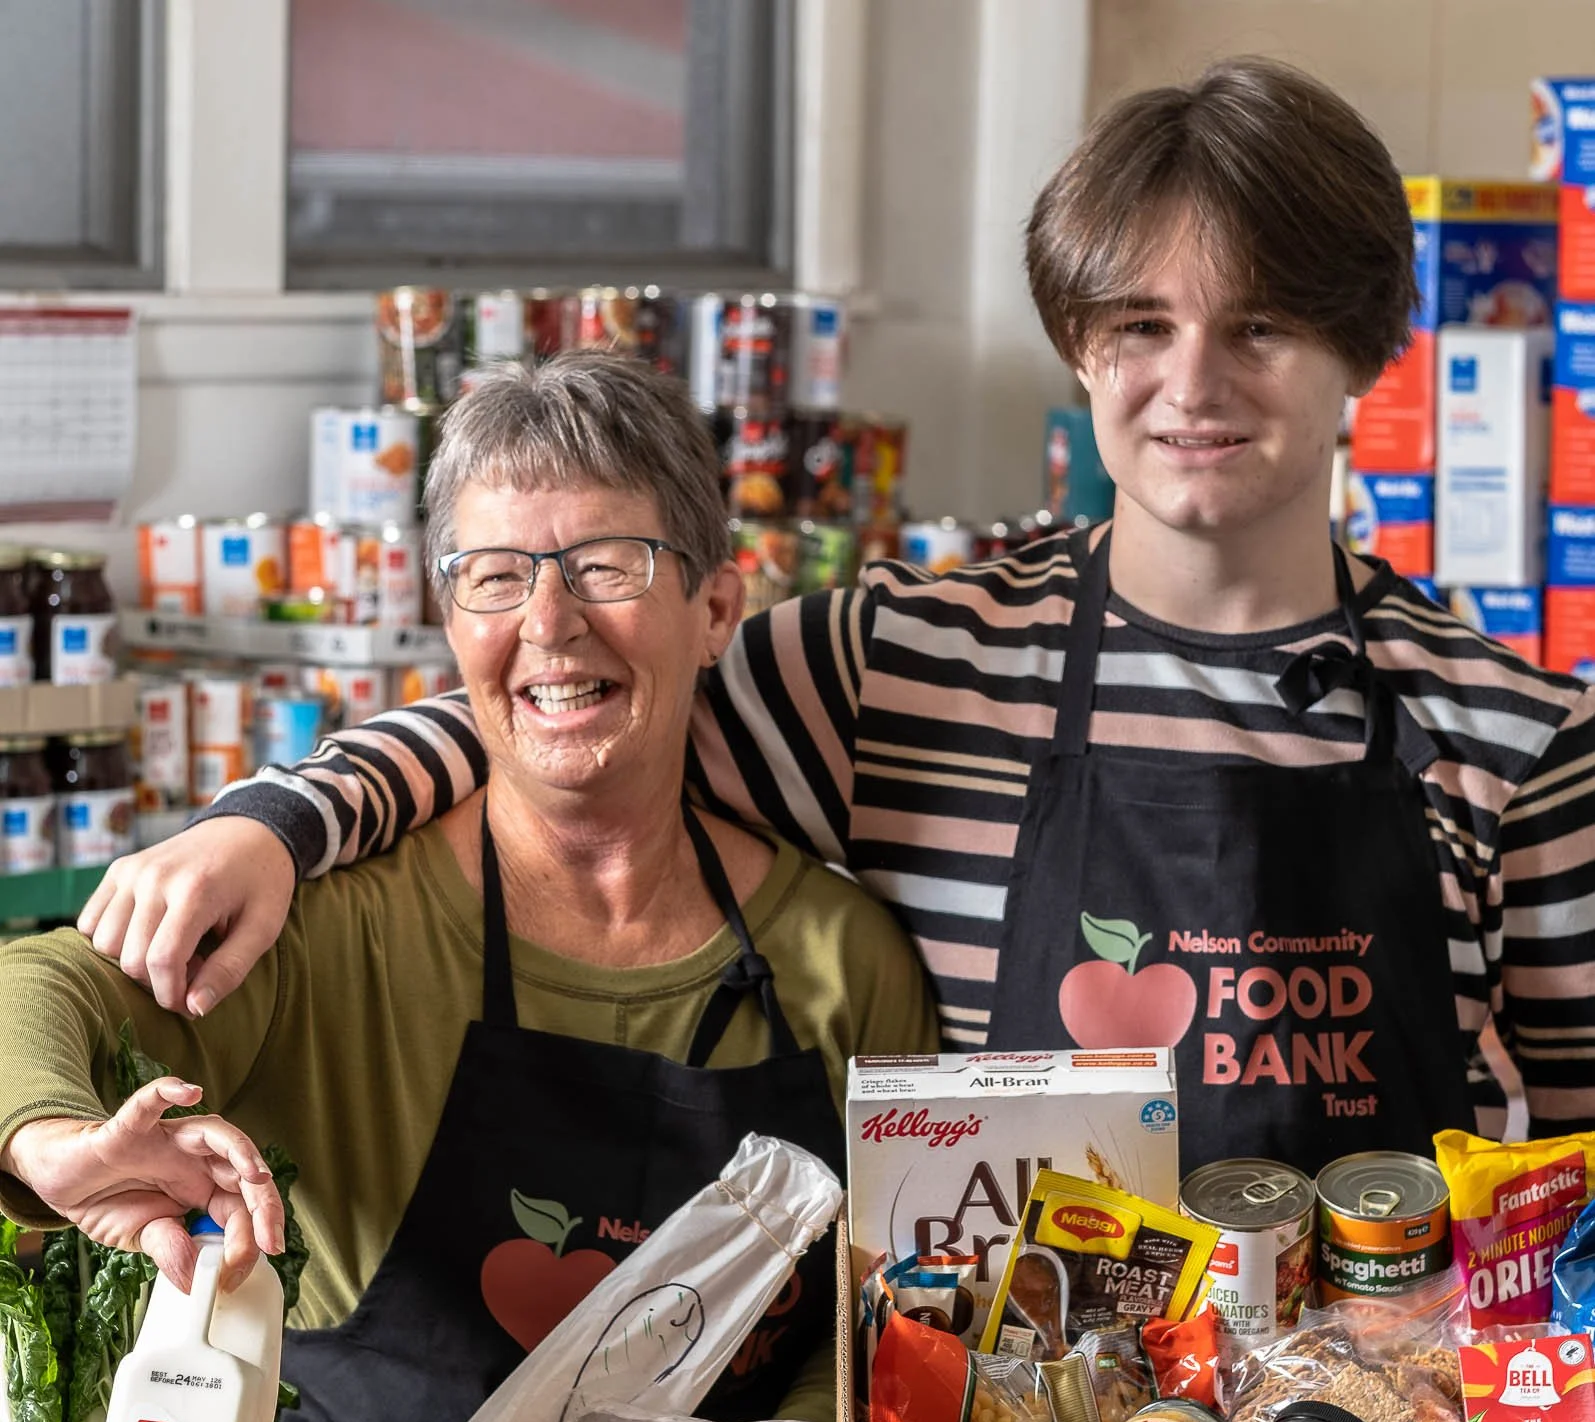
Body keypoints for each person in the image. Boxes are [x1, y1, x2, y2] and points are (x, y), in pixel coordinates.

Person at [81, 58, 1595, 1173]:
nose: (1189, 385)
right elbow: (564, 705)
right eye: (1138, 325)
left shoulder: (1514, 740)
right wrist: (273, 827)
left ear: (1365, 356)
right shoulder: (900, 668)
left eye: (1257, 327)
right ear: (1078, 353)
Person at [0, 355, 937, 1422]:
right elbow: (38, 987)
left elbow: (872, 1309)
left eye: (606, 564)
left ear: (714, 611)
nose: (549, 623)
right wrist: (58, 1143)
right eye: (494, 576)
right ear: (449, 619)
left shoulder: (845, 962)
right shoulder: (330, 922)